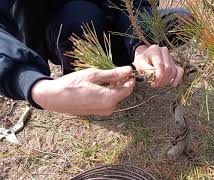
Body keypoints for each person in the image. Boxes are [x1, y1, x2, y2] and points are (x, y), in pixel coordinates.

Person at [0, 0, 185, 116]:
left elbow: (134, 5)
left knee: (182, 20)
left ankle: (132, 63)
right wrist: (34, 85)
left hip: (117, 22)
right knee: (79, 16)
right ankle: (84, 84)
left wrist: (139, 44)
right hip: (68, 28)